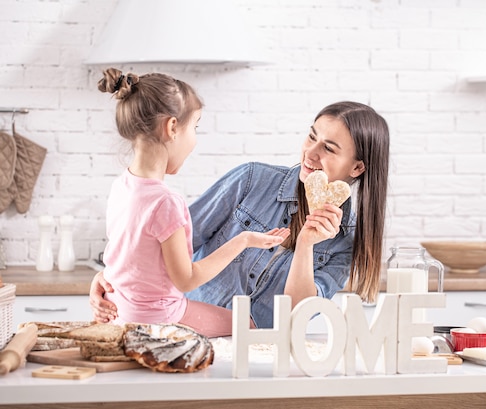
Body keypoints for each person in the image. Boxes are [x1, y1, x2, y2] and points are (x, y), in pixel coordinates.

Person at [90, 100, 390, 331]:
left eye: (329, 148)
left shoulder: (347, 240)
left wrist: (306, 245)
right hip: (185, 328)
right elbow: (165, 246)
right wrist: (110, 276)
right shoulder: (251, 181)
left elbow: (299, 313)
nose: (310, 153)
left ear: (357, 168)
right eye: (311, 137)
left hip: (259, 356)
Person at [96, 67, 289, 337]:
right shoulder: (166, 202)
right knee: (250, 327)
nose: (195, 139)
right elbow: (187, 279)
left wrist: (99, 279)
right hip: (158, 318)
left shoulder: (122, 185)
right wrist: (243, 240)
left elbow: (126, 260)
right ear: (172, 127)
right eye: (195, 127)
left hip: (120, 313)